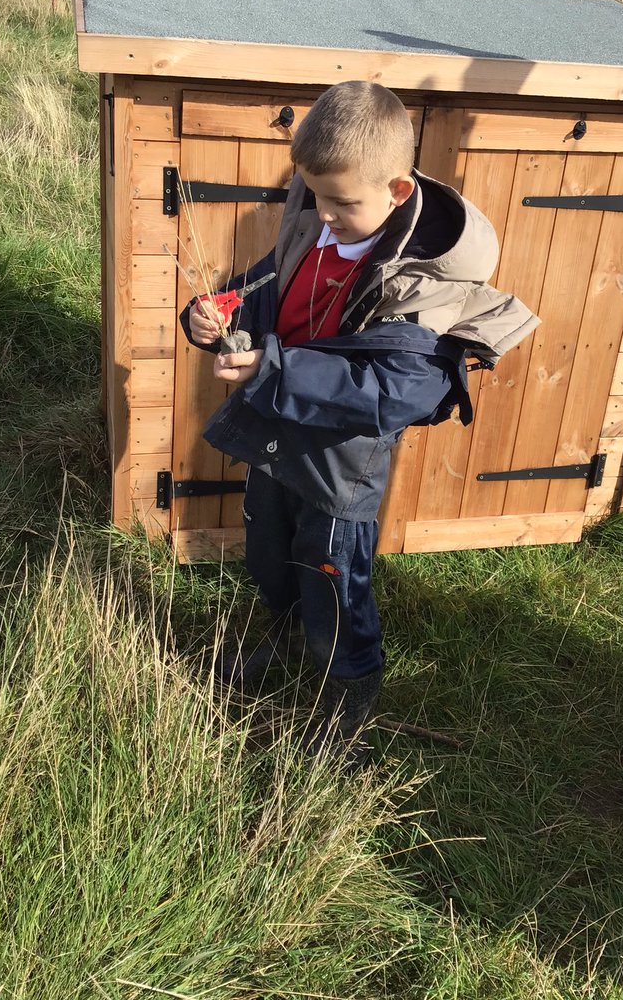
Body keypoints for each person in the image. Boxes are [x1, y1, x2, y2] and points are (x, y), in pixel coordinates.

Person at [180, 80, 538, 768]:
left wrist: (271, 371)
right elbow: (256, 298)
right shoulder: (312, 233)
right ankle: (282, 639)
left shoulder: (423, 284)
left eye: (343, 202)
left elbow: (393, 391)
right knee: (269, 552)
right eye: (314, 195)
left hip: (341, 472)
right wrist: (210, 316)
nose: (325, 214)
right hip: (278, 441)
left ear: (397, 191)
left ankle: (347, 696)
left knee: (334, 578)